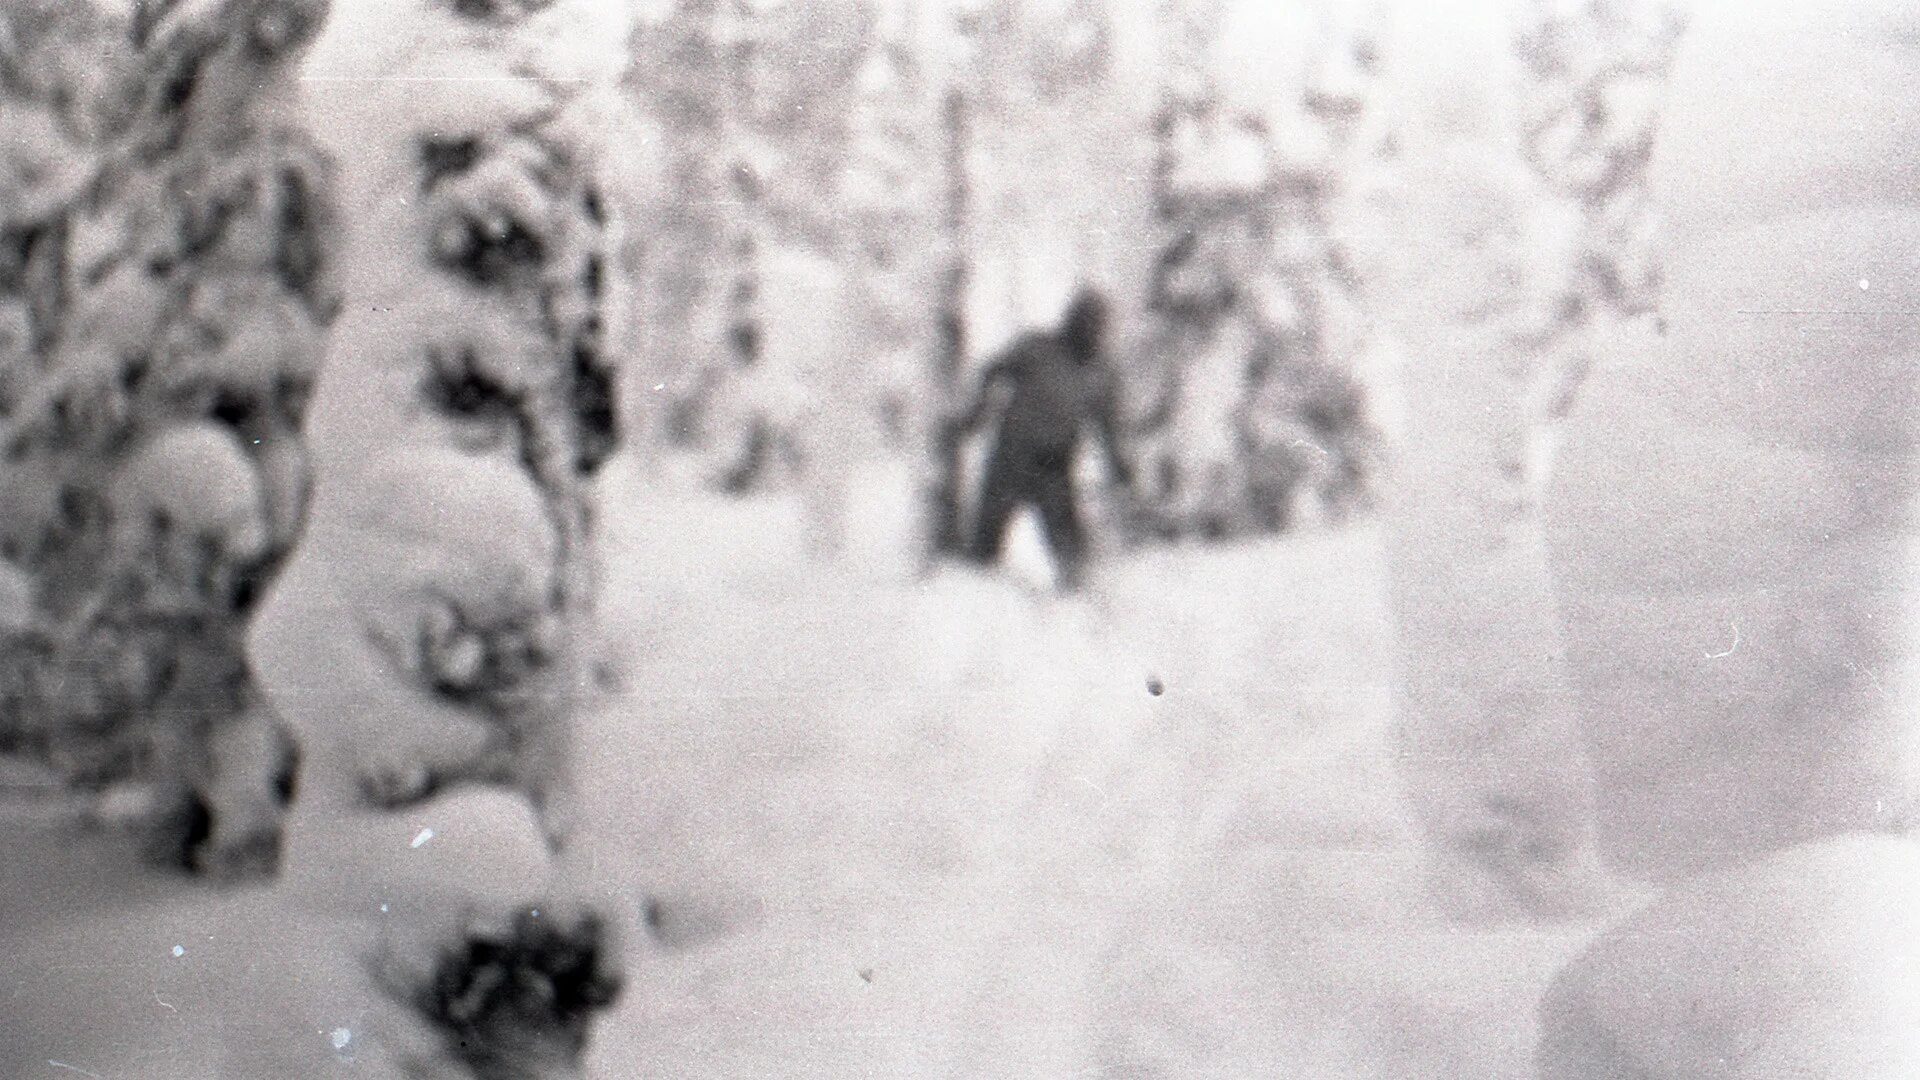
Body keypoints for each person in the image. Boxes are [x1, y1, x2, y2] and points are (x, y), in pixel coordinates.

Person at [945, 289, 1131, 591]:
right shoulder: (1037, 348)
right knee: (982, 549)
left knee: (1072, 556)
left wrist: (1120, 470)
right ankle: (969, 606)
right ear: (1071, 320)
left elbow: (1108, 427)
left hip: (1054, 467)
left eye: (1096, 324)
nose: (1090, 330)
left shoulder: (1101, 373)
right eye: (1084, 321)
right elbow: (994, 370)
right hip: (1011, 458)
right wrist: (975, 416)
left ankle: (1078, 616)